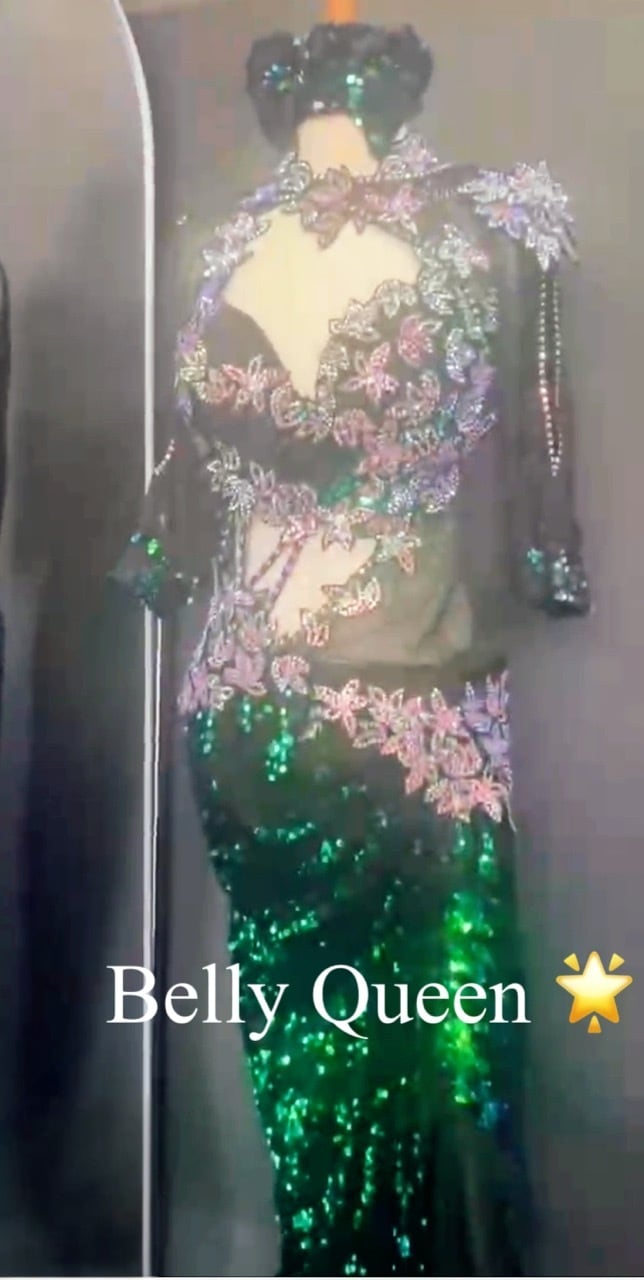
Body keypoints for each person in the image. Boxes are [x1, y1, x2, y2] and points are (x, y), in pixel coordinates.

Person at [114, 22, 589, 1277]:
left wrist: (548, 550)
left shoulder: (496, 221)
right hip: (282, 727)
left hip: (384, 718)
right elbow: (183, 488)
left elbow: (540, 436)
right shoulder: (228, 244)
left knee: (435, 1070)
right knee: (330, 1074)